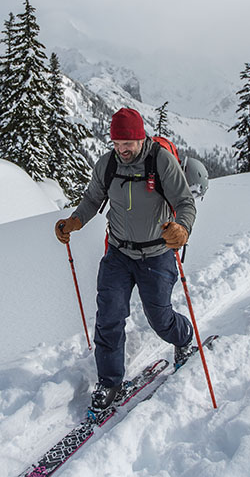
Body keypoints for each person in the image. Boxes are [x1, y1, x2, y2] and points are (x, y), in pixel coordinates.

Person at [54, 107, 197, 412]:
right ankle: (109, 382)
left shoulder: (161, 161)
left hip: (157, 253)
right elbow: (93, 199)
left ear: (140, 137)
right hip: (118, 253)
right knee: (109, 317)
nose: (122, 150)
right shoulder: (107, 165)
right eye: (117, 144)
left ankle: (184, 337)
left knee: (160, 318)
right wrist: (74, 221)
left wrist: (182, 229)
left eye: (127, 144)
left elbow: (185, 201)